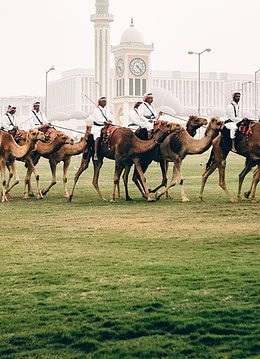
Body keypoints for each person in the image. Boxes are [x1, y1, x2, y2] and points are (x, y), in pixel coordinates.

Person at [90, 96, 112, 160]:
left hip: (105, 126)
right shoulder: (96, 110)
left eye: (106, 102)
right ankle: (95, 153)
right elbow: (97, 119)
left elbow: (109, 117)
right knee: (98, 136)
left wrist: (110, 120)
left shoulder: (106, 110)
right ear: (100, 102)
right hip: (97, 127)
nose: (105, 103)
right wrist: (104, 121)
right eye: (104, 101)